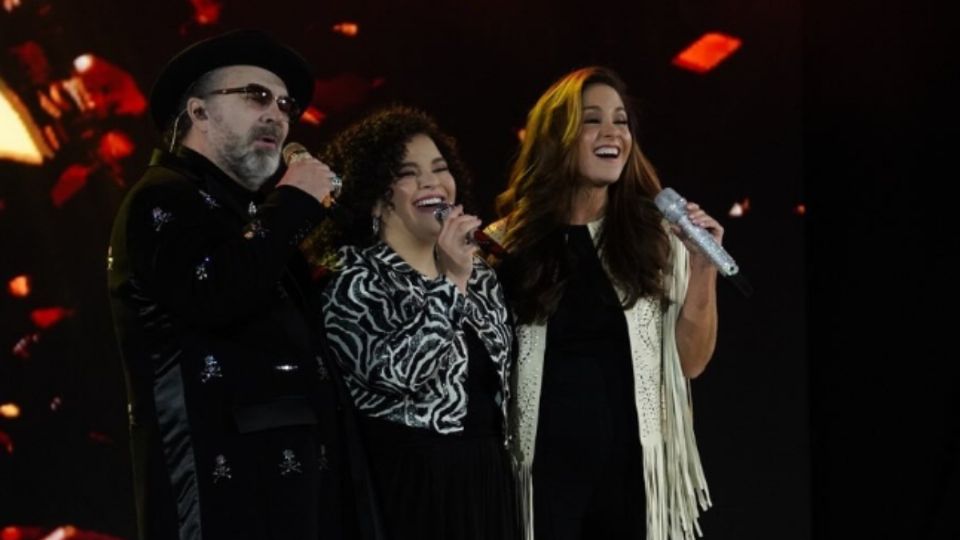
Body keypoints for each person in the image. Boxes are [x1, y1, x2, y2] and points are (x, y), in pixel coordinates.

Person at [108, 29, 349, 539]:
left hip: (293, 484)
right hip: (220, 490)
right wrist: (294, 204)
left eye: (285, 106)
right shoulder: (162, 197)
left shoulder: (254, 214)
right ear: (198, 112)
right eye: (256, 96)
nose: (277, 116)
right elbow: (213, 292)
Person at [486, 66, 717, 540]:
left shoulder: (656, 240)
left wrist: (703, 268)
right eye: (592, 120)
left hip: (632, 476)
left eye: (621, 120)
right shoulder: (504, 244)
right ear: (558, 136)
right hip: (544, 478)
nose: (613, 132)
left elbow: (691, 363)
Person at [316, 106, 518, 540]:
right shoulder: (354, 280)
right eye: (408, 173)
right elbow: (399, 372)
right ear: (374, 195)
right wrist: (451, 281)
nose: (431, 182)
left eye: (439, 169)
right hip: (409, 491)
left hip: (487, 482)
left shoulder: (479, 272)